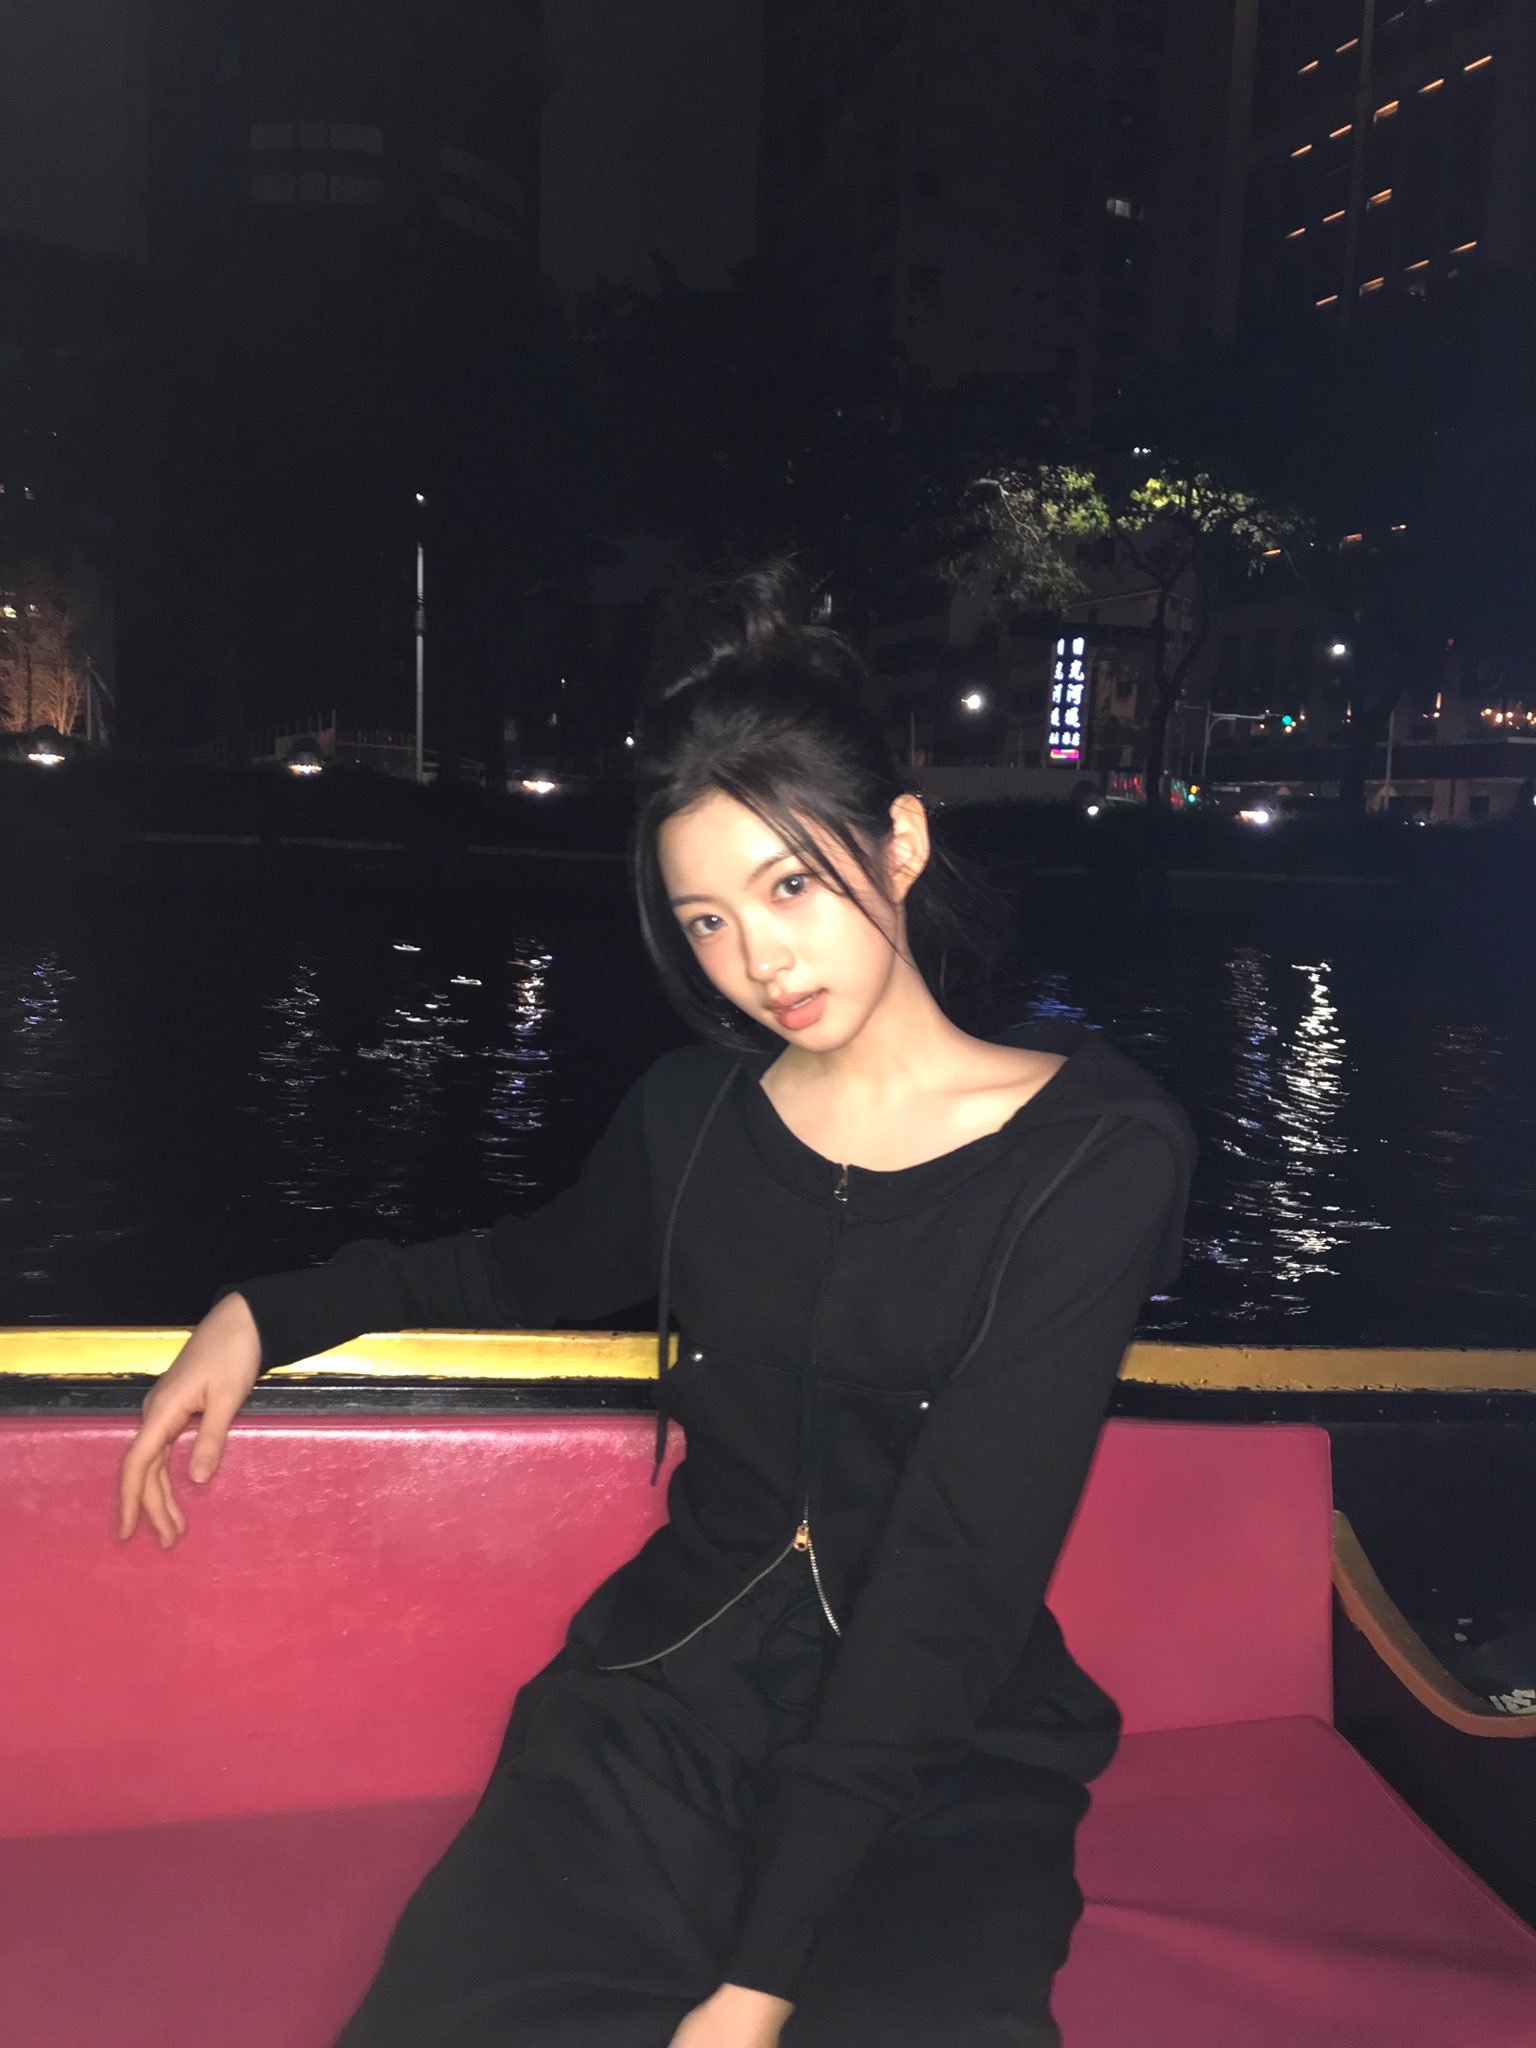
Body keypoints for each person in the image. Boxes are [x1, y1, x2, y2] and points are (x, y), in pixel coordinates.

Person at [118, 563, 1197, 2048]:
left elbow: (957, 1567)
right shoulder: (693, 1119)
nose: (758, 962)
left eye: (790, 886)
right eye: (705, 922)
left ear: (900, 843)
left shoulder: (1095, 1154)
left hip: (944, 1740)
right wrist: (265, 1309)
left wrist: (763, 1978)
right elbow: (523, 1267)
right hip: (663, 1694)